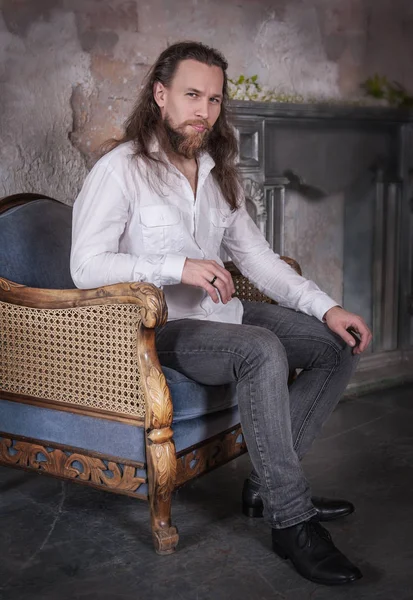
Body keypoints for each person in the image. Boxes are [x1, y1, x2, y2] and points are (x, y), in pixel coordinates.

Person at [70, 41, 372, 586]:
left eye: (213, 99)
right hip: (157, 329)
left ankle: (266, 485)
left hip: (221, 318)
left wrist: (327, 307)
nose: (203, 111)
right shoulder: (121, 169)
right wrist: (174, 265)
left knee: (335, 345)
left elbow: (258, 258)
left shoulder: (215, 172)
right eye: (191, 95)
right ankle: (292, 521)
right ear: (160, 95)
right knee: (262, 350)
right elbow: (85, 265)